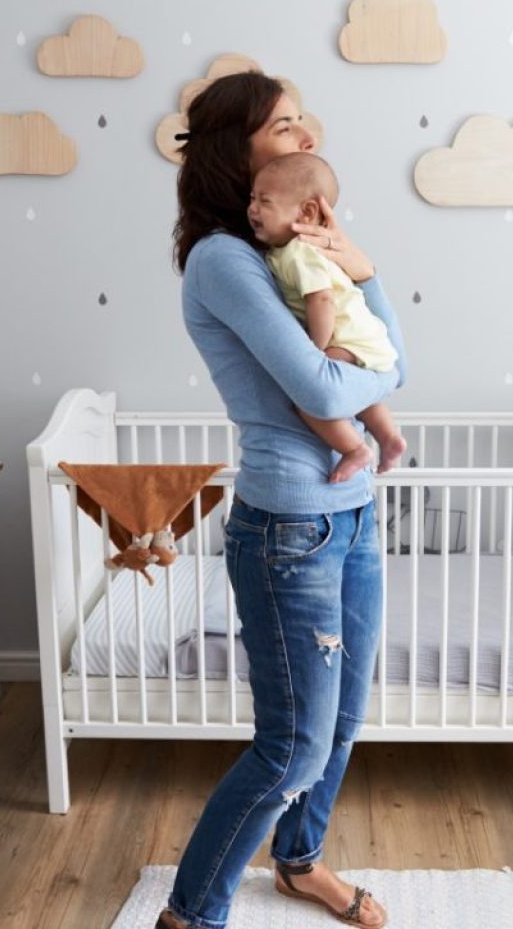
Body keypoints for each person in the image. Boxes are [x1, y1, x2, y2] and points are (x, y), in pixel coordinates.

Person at [157, 70, 406, 929]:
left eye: (303, 124)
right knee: (292, 741)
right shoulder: (227, 260)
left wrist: (363, 269)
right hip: (291, 525)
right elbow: (326, 386)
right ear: (239, 149)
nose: (307, 138)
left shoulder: (287, 252)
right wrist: (362, 288)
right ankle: (191, 913)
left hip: (354, 509)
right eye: (285, 127)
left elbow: (395, 363)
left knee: (340, 723)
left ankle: (299, 863)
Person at [248, 151, 406, 483]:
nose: (252, 210)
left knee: (307, 396)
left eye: (264, 202)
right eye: (251, 199)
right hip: (363, 337)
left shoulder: (299, 251)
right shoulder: (288, 252)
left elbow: (321, 300)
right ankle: (389, 437)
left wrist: (315, 349)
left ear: (306, 212)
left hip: (345, 337)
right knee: (360, 396)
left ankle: (354, 449)